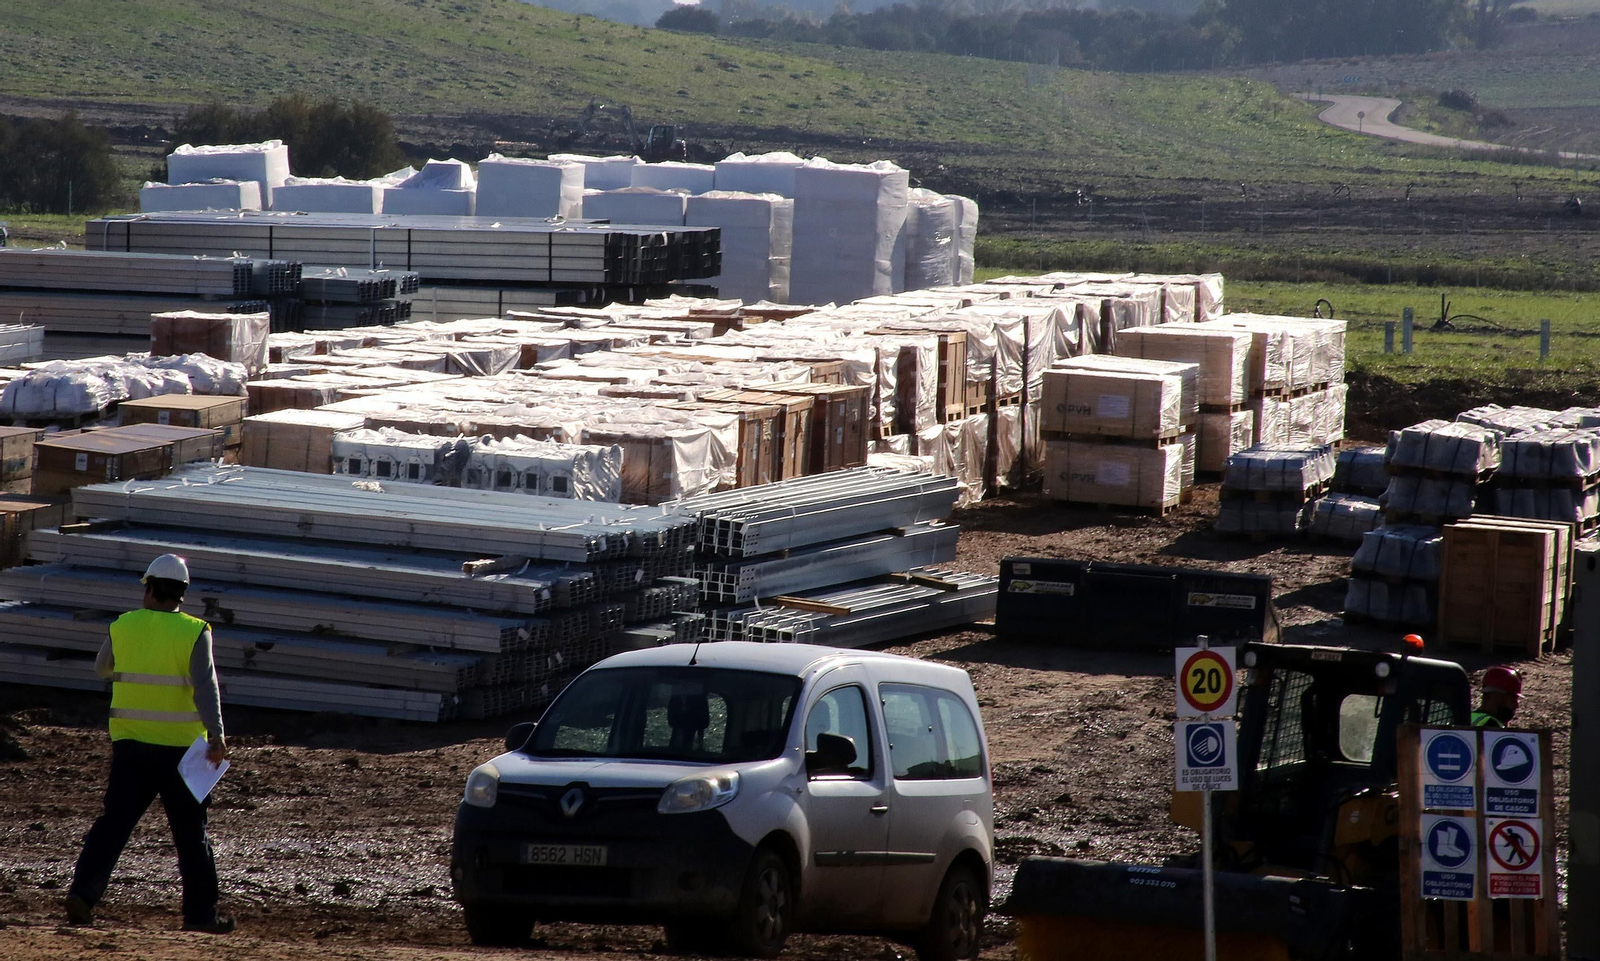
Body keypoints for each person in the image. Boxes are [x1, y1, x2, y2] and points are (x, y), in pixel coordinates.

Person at [64, 554, 233, 934]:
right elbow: (206, 686)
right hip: (181, 750)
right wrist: (217, 734)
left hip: (131, 746)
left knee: (113, 825)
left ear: (150, 587)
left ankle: (83, 894)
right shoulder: (195, 631)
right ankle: (200, 916)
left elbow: (101, 668)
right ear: (182, 594)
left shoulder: (123, 625)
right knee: (191, 833)